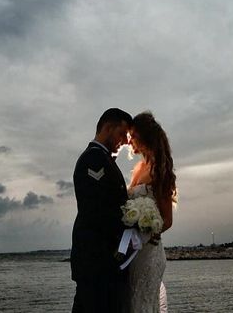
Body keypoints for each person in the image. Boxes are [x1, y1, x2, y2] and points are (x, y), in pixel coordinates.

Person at [71, 108, 133, 313]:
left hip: (104, 263)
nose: (125, 141)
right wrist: (132, 223)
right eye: (122, 134)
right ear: (107, 127)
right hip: (96, 262)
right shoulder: (92, 160)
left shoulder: (103, 159)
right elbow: (96, 212)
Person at [123, 111, 177, 313]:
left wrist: (150, 231)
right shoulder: (139, 168)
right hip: (133, 252)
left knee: (142, 304)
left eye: (133, 136)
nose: (129, 141)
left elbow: (168, 220)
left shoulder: (159, 170)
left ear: (145, 137)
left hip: (148, 252)